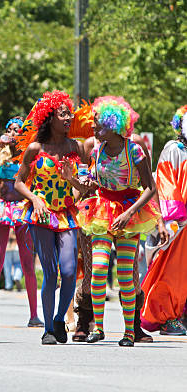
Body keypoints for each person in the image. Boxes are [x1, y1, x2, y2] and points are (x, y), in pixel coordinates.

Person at [75, 96, 161, 347]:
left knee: (125, 275)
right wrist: (81, 181)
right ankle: (98, 328)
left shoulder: (134, 149)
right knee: (99, 268)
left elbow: (150, 188)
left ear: (112, 126)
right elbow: (94, 181)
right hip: (102, 210)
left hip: (130, 212)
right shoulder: (96, 149)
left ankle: (129, 333)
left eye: (97, 124)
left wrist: (127, 213)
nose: (92, 128)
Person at [14, 90, 85, 345]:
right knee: (50, 272)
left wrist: (72, 179)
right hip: (41, 215)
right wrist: (34, 199)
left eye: (69, 113)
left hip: (67, 214)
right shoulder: (35, 148)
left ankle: (58, 319)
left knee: (68, 271)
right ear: (49, 117)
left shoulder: (75, 147)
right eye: (63, 113)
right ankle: (47, 328)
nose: (69, 117)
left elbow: (86, 187)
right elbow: (19, 182)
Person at [0, 116, 42, 328]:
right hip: (1, 208)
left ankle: (34, 315)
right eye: (12, 129)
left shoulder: (30, 153)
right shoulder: (2, 153)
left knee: (27, 262)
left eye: (19, 130)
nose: (15, 133)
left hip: (23, 209)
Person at [141, 104, 187, 336]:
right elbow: (167, 184)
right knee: (172, 273)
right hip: (179, 223)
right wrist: (176, 218)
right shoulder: (174, 149)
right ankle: (168, 318)